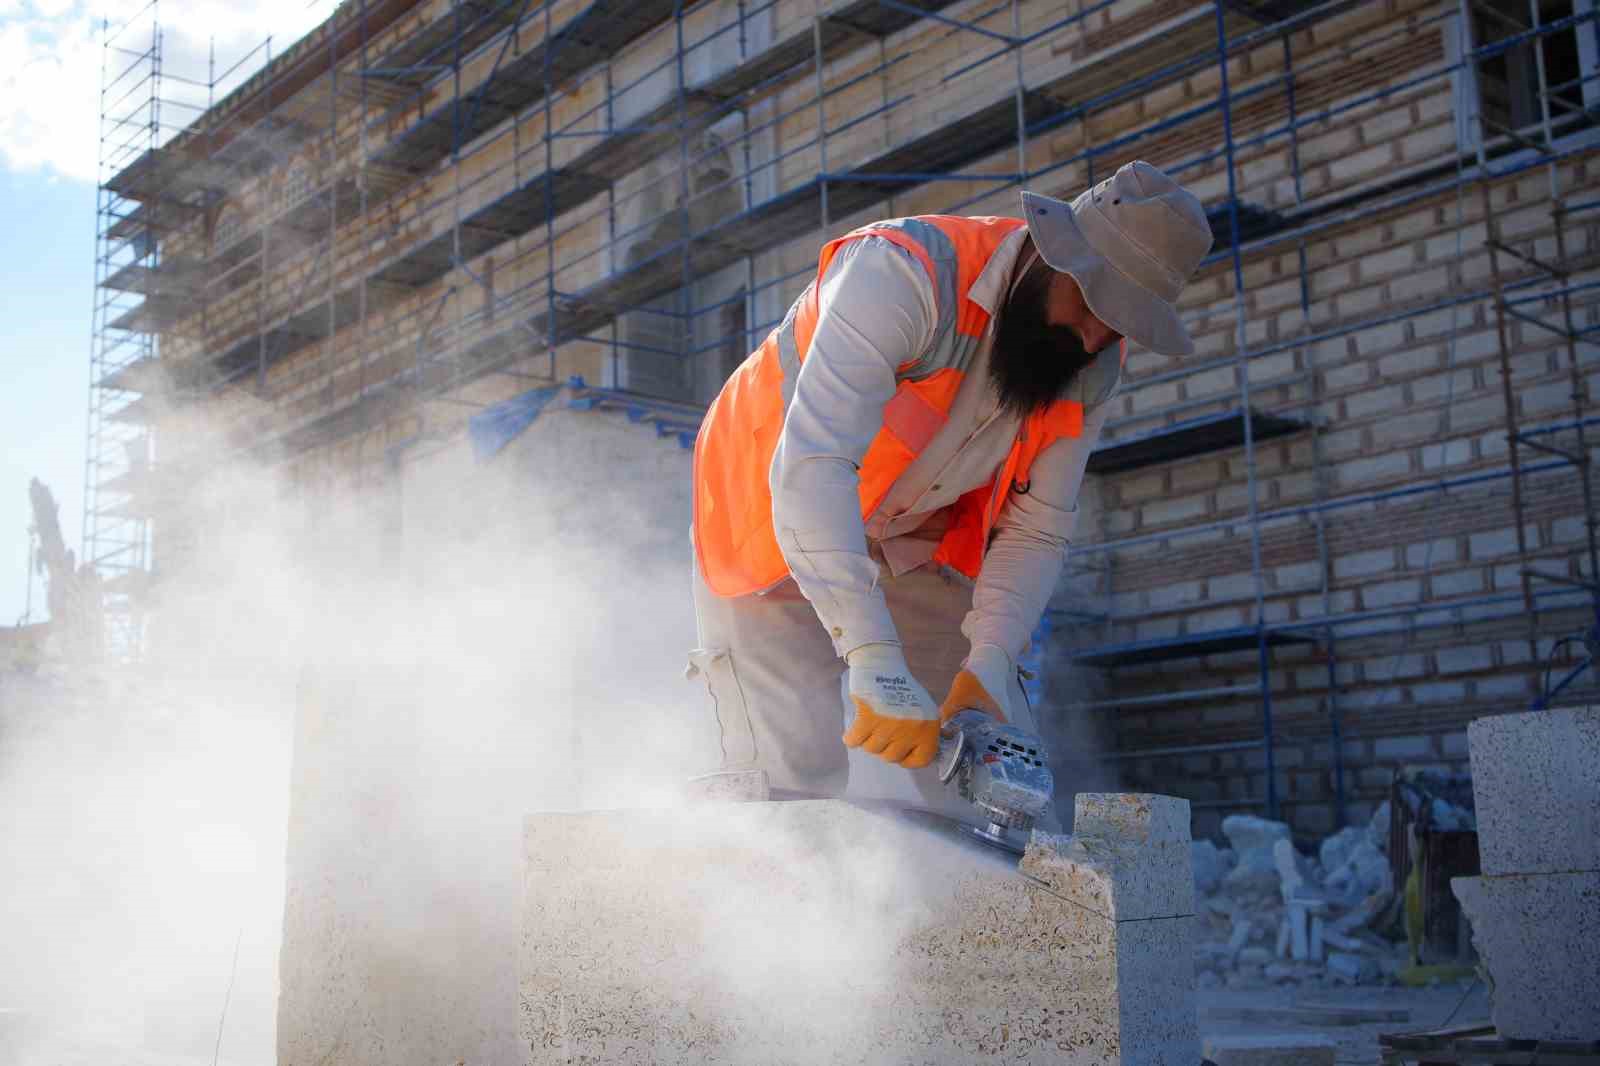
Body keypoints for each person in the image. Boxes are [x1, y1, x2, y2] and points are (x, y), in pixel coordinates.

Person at [686, 160, 1213, 818]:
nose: (1094, 337)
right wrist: (872, 651)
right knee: (790, 782)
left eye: (1120, 324)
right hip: (766, 504)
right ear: (1053, 256)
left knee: (984, 780)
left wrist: (991, 659)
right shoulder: (900, 273)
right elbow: (814, 466)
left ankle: (1001, 917)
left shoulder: (1090, 362)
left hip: (911, 530)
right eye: (1091, 304)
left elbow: (1038, 528)